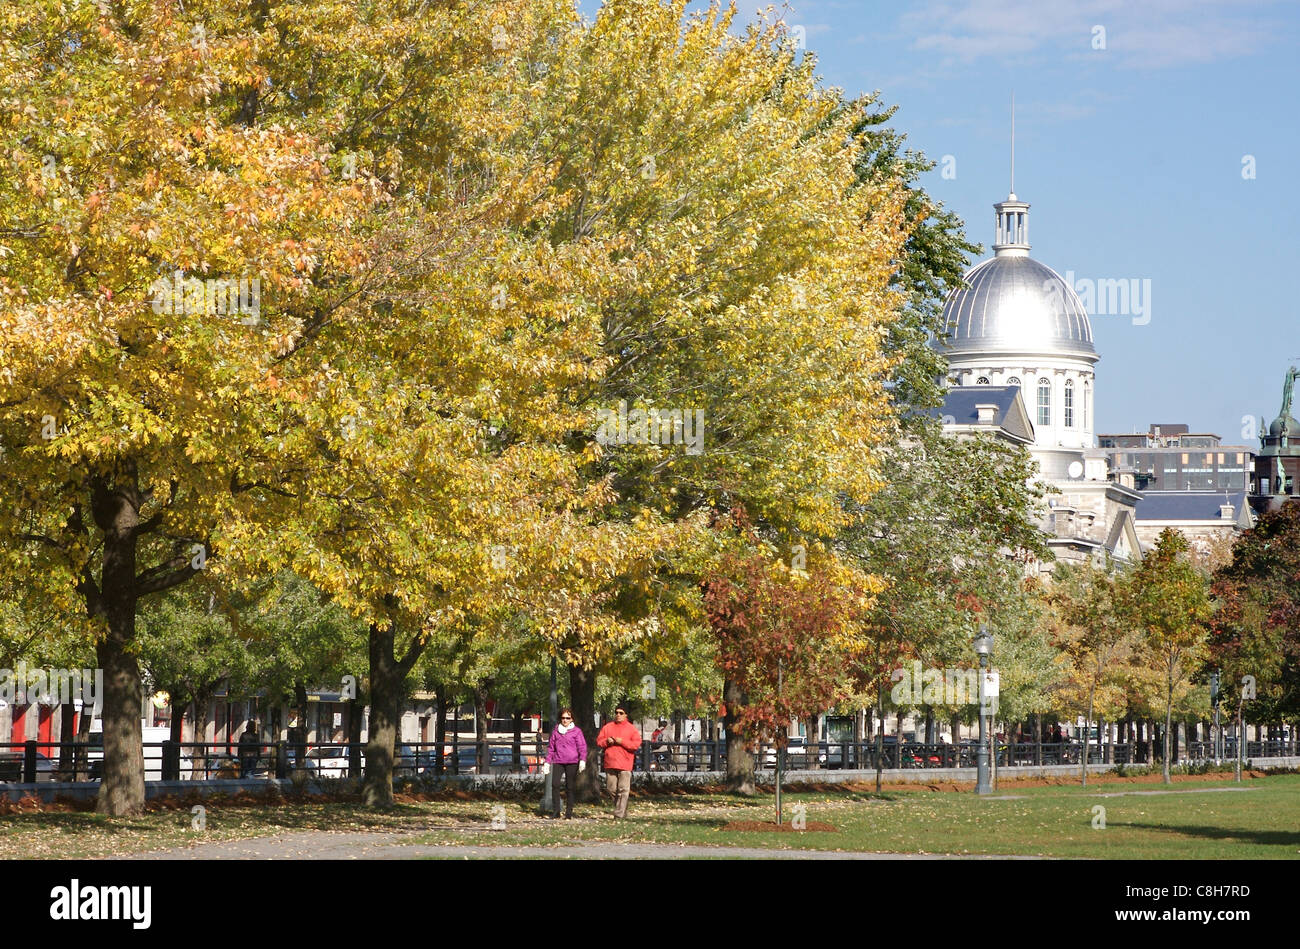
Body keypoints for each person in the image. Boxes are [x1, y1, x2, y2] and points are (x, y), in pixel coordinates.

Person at [595, 705, 642, 818]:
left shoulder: (631, 729)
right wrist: (607, 741)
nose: (618, 715)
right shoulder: (607, 727)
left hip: (625, 764)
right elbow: (599, 742)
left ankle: (619, 814)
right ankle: (622, 809)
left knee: (623, 789)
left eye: (621, 713)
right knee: (611, 789)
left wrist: (622, 742)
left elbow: (635, 745)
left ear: (625, 715)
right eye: (616, 712)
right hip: (610, 763)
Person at [543, 708, 587, 819]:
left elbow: (582, 747)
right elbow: (551, 748)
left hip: (572, 762)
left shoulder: (577, 731)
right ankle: (556, 811)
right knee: (555, 785)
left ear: (572, 719)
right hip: (558, 761)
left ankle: (568, 813)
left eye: (568, 718)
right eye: (563, 718)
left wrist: (582, 760)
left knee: (570, 787)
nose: (565, 720)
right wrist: (547, 762)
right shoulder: (556, 731)